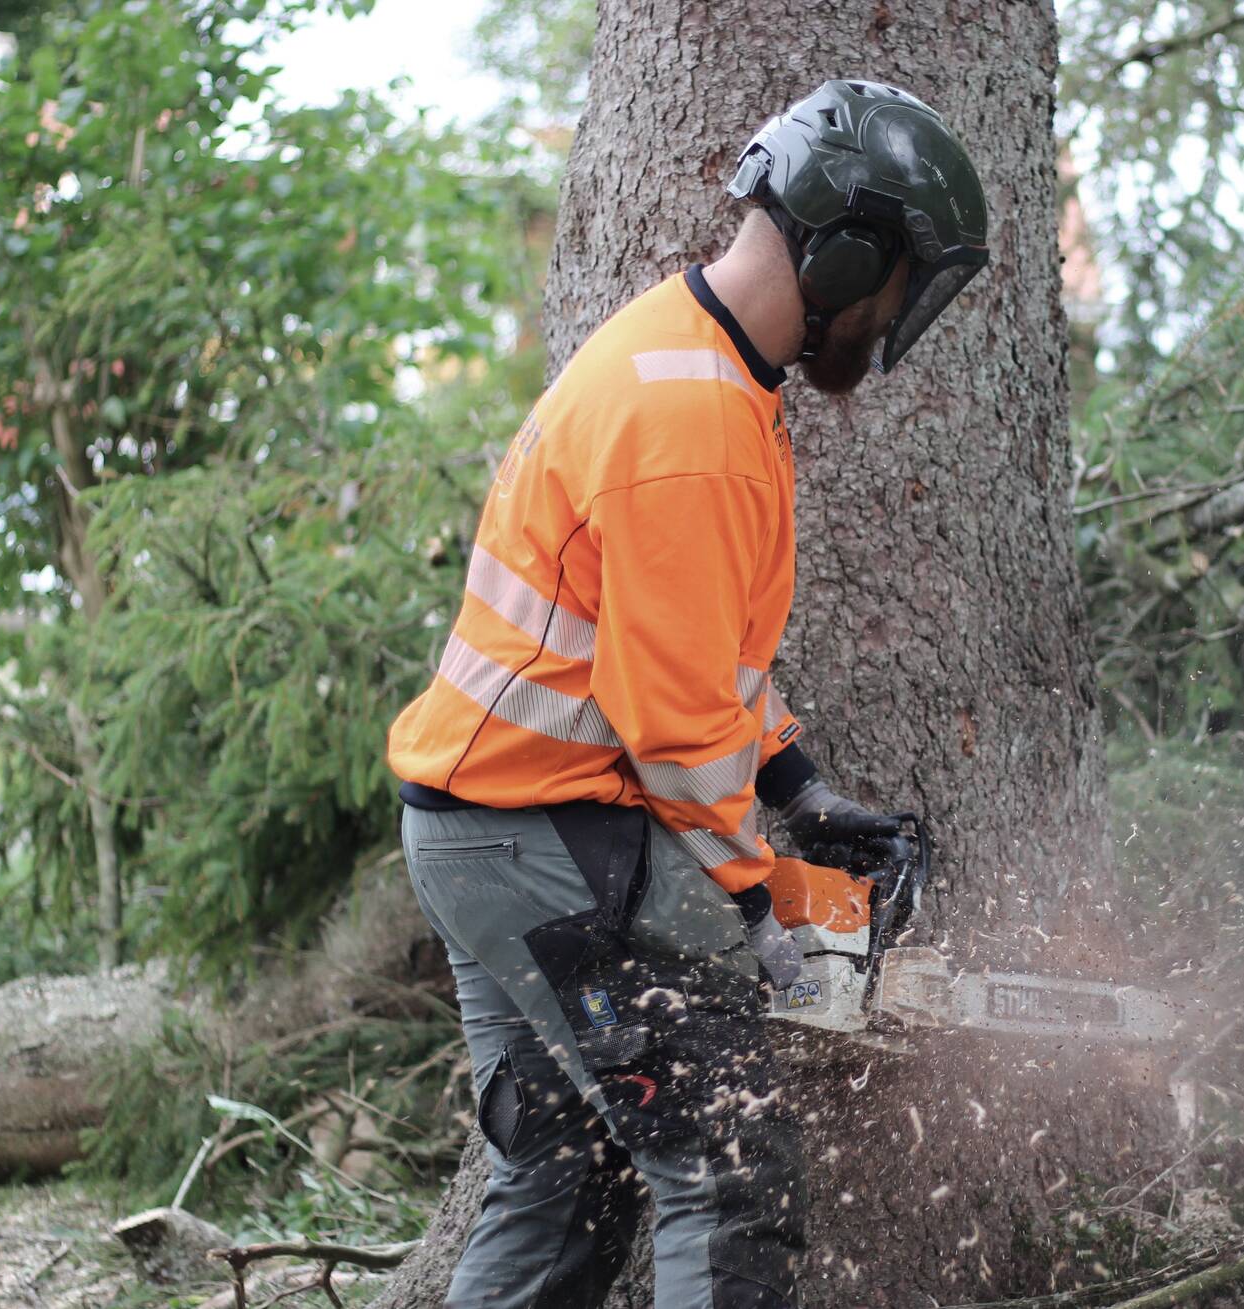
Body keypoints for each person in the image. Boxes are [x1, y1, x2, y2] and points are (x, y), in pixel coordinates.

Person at [385, 78, 989, 1309]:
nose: (888, 322)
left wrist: (802, 792)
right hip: (543, 841)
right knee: (726, 1169)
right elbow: (668, 731)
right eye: (893, 284)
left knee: (563, 1178)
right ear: (848, 253)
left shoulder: (699, 366)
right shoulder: (689, 424)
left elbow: (695, 665)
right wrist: (771, 917)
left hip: (490, 827)